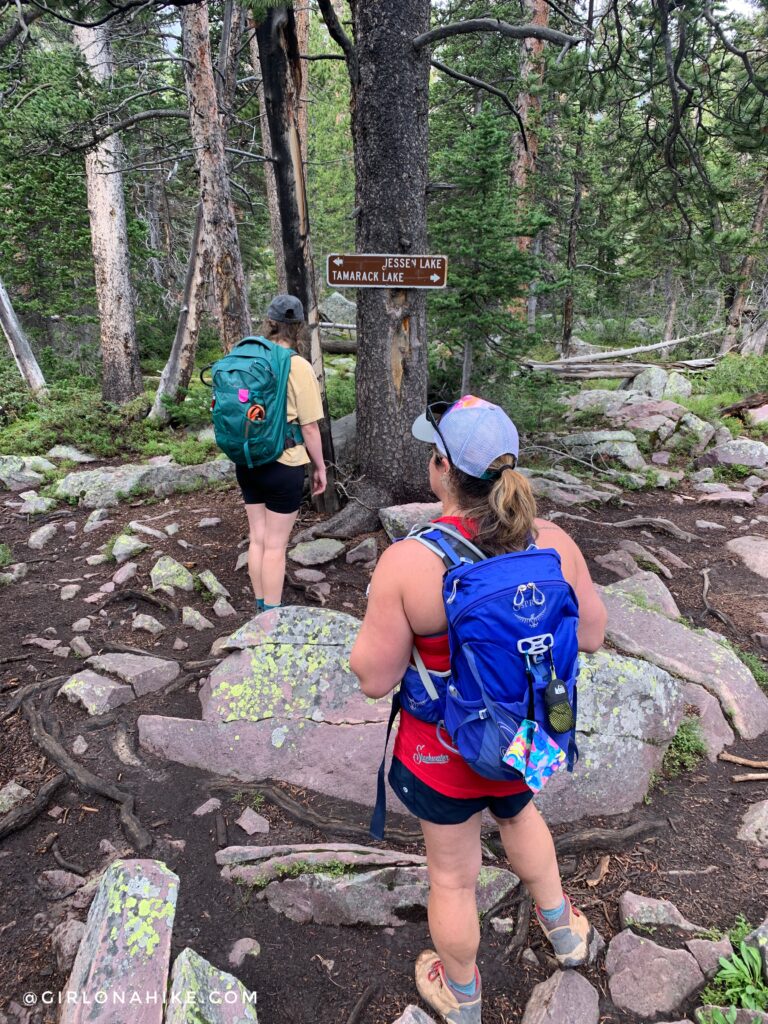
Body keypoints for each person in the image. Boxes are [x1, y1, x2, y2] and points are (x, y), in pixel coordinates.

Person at [349, 396, 607, 1024]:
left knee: (453, 877)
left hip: (444, 754)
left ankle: (462, 995)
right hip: (527, 734)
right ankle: (565, 931)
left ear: (441, 469)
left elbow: (374, 680)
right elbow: (594, 633)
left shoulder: (411, 561)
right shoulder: (554, 543)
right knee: (521, 817)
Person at [236, 294, 327, 612]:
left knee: (258, 539)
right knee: (275, 545)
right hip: (284, 463)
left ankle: (260, 606)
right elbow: (310, 427)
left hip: (248, 461)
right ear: (298, 326)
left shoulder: (247, 358)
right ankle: (270, 621)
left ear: (269, 322)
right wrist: (320, 467)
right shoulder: (297, 365)